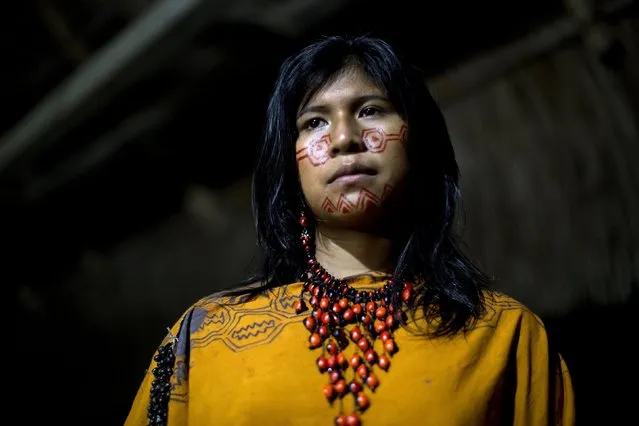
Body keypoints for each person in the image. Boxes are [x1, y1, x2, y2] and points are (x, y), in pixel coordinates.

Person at [124, 35, 575, 426]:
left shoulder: (503, 334)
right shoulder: (204, 335)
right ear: (289, 163)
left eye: (371, 110)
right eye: (314, 121)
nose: (343, 137)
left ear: (418, 143)